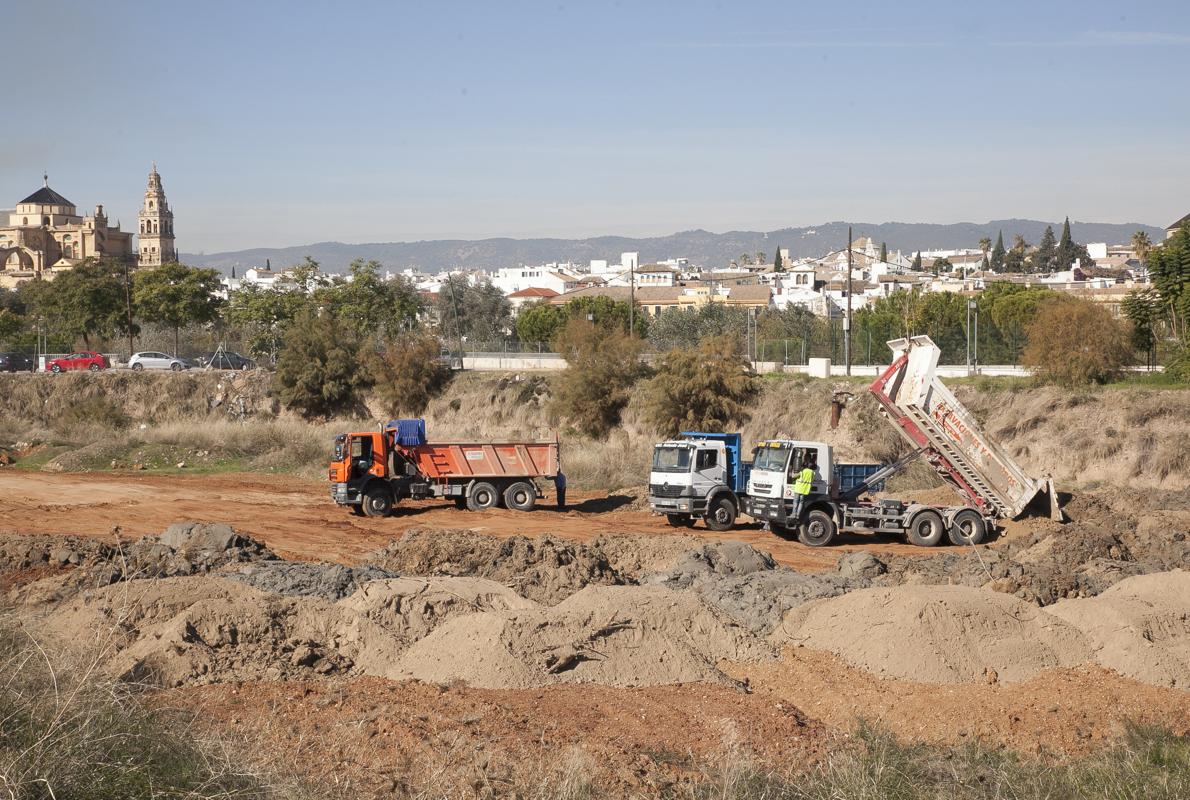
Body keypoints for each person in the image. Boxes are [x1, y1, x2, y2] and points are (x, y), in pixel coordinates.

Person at [791, 454, 816, 523]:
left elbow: (793, 476)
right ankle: (798, 515)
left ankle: (793, 514)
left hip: (798, 489)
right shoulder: (812, 473)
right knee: (801, 503)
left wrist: (792, 471)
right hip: (805, 490)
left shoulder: (803, 471)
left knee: (795, 502)